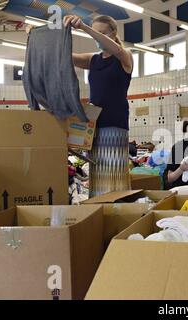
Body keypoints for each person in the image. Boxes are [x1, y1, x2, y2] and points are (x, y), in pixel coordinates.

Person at [62, 15, 133, 197]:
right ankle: (100, 212)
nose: (97, 37)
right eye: (96, 33)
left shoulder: (124, 57)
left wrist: (85, 27)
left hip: (115, 124)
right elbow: (64, 57)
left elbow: (115, 49)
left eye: (102, 33)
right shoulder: (93, 60)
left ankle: (118, 211)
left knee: (113, 176)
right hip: (94, 126)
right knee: (98, 176)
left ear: (113, 33)